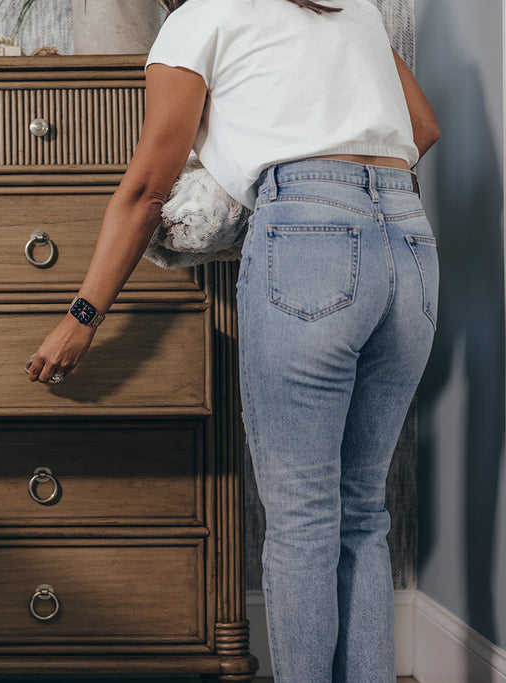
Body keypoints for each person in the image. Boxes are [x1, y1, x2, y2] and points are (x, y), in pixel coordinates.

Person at [26, 0, 440, 681]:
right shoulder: (352, 7)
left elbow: (145, 189)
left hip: (311, 236)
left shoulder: (200, 18)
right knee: (361, 513)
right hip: (410, 241)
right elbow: (422, 127)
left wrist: (82, 315)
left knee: (304, 519)